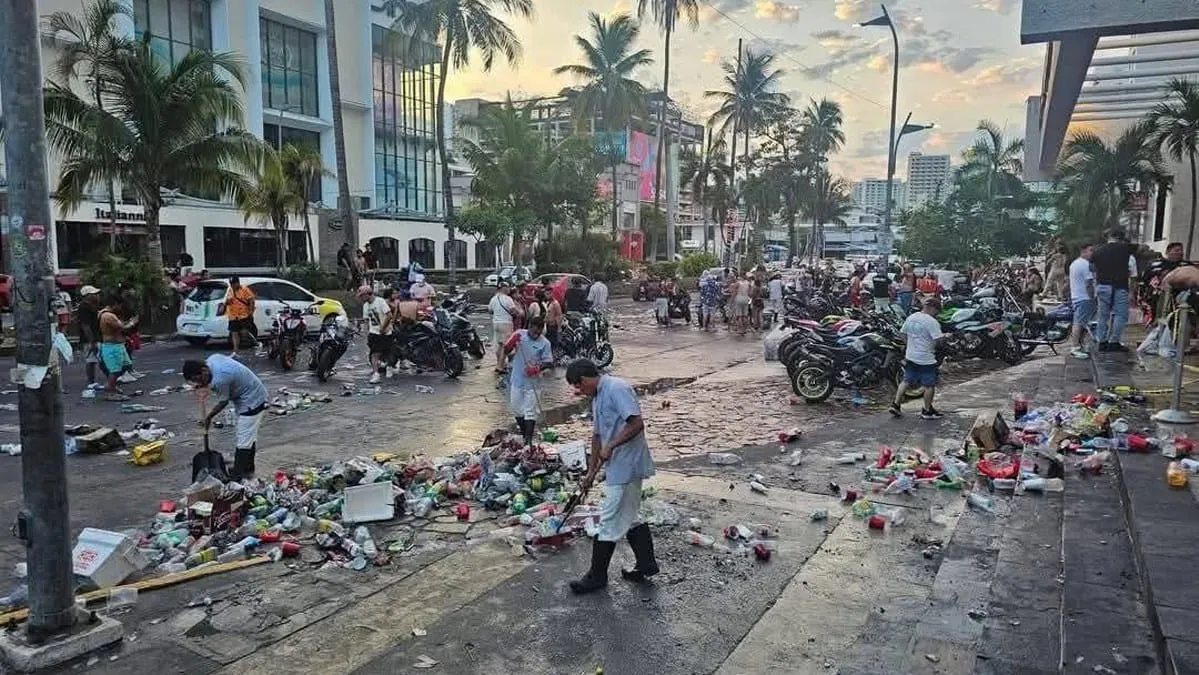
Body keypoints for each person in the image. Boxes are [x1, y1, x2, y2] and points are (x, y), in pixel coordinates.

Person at [565, 358, 657, 595]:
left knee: (609, 518)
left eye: (578, 386)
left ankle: (597, 576)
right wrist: (590, 471)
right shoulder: (596, 398)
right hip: (616, 466)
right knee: (630, 515)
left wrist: (613, 445)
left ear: (584, 379)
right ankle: (646, 565)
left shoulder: (617, 388)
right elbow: (597, 437)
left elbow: (637, 424)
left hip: (628, 464)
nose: (578, 391)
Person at [183, 355, 268, 481]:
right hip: (246, 394)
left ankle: (237, 476)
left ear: (204, 370)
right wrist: (202, 385)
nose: (200, 383)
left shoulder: (220, 379)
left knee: (244, 439)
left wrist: (208, 417)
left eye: (199, 379)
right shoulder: (212, 360)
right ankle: (248, 467)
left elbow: (223, 402)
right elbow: (211, 382)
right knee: (248, 435)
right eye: (196, 381)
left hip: (252, 400)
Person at [889, 296, 946, 420]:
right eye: (936, 311)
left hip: (911, 356)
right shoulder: (931, 322)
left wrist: (910, 344)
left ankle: (896, 404)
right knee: (929, 385)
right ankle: (926, 410)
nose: (936, 314)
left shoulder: (912, 317)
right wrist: (946, 337)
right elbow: (939, 341)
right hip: (926, 359)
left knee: (906, 381)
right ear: (932, 308)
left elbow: (902, 334)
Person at [503, 316, 554, 447]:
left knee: (530, 411)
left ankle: (528, 440)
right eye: (534, 331)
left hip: (534, 382)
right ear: (529, 327)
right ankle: (525, 434)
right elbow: (506, 350)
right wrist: (511, 343)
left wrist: (537, 368)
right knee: (516, 409)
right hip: (517, 379)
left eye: (539, 332)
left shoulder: (545, 343)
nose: (536, 335)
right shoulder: (520, 335)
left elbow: (549, 362)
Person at [1092, 228, 1138, 352]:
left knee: (1103, 315)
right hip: (1120, 286)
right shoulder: (1126, 249)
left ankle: (1101, 341)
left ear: (1108, 238)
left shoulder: (1097, 251)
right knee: (1121, 315)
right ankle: (1114, 342)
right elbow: (1141, 248)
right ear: (1121, 238)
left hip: (1102, 286)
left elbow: (1093, 269)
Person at [98, 294, 136, 401]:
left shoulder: (107, 315)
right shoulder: (108, 316)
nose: (120, 309)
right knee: (115, 370)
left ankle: (111, 386)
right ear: (115, 304)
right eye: (120, 306)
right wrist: (132, 322)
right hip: (112, 346)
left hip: (116, 345)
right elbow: (123, 327)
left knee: (125, 366)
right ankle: (110, 391)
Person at [358, 285, 394, 383]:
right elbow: (366, 320)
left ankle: (389, 366)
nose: (361, 298)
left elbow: (389, 315)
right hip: (374, 332)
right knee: (374, 354)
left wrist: (383, 328)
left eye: (362, 296)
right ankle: (376, 373)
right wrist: (366, 331)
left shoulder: (380, 302)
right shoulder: (365, 306)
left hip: (385, 332)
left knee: (387, 352)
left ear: (367, 294)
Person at [1069, 243, 1097, 359]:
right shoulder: (1085, 265)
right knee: (1079, 323)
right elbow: (1089, 283)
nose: (1092, 253)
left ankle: (1080, 344)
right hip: (1084, 298)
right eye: (1090, 250)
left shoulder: (1075, 263)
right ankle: (1075, 346)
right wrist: (1092, 297)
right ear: (1083, 251)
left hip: (1077, 296)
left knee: (1082, 323)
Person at [489, 284, 519, 373]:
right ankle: (500, 367)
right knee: (506, 346)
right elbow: (514, 311)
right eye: (508, 287)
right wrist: (518, 312)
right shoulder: (508, 299)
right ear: (504, 288)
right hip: (506, 324)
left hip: (496, 323)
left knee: (499, 345)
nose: (509, 289)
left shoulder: (493, 299)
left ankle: (498, 364)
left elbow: (490, 310)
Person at [77, 285, 103, 389]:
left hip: (94, 337)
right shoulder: (84, 307)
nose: (97, 296)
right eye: (94, 294)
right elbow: (85, 326)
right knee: (91, 360)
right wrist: (92, 341)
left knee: (93, 359)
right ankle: (91, 382)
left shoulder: (91, 306)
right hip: (90, 339)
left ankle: (93, 381)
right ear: (87, 296)